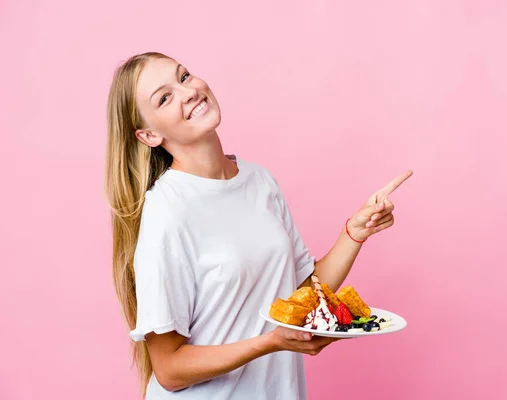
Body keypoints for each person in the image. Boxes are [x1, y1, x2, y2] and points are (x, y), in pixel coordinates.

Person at [104, 51, 412, 400]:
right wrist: (268, 343)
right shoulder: (167, 212)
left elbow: (300, 293)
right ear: (148, 136)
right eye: (164, 97)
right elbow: (170, 370)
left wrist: (354, 232)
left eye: (185, 76)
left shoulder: (260, 181)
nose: (188, 91)